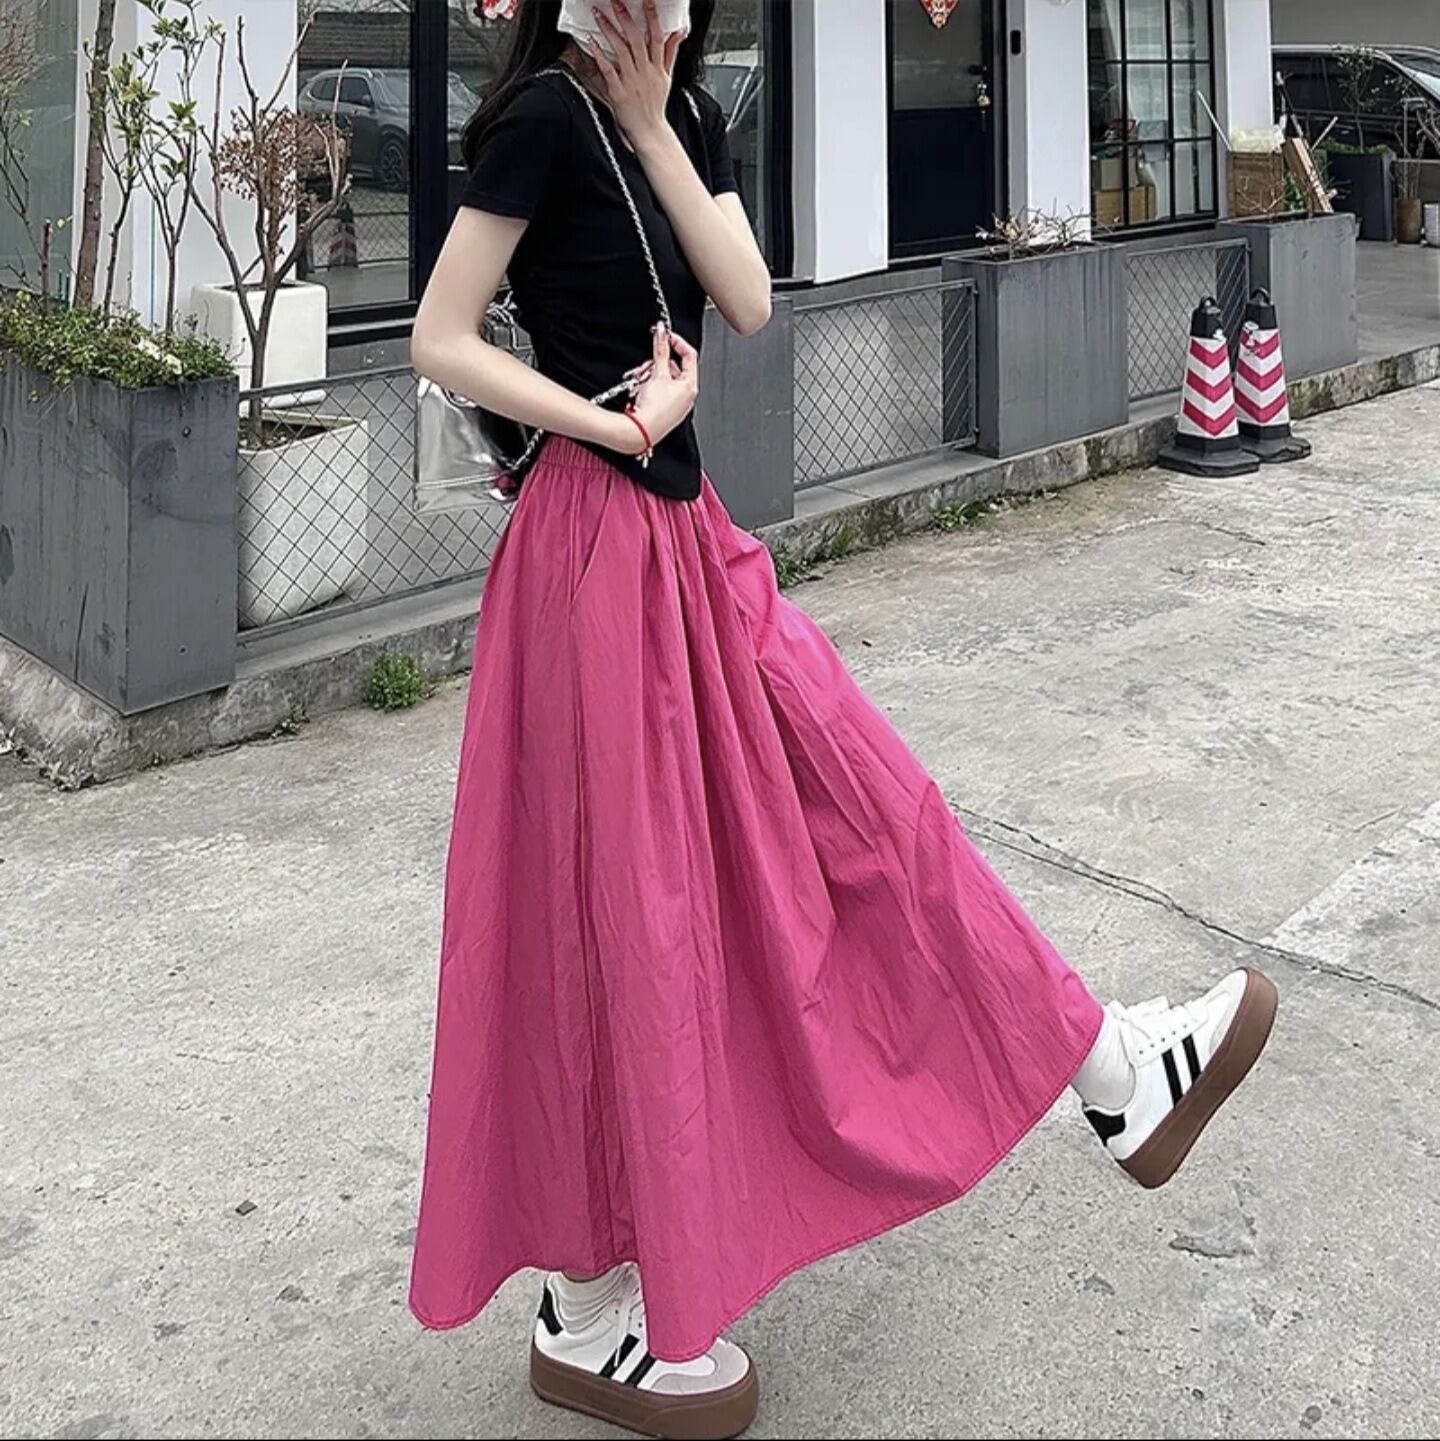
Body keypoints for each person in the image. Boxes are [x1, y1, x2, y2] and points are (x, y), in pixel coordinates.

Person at [407, 3, 1278, 1437]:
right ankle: (587, 1303)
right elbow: (439, 337)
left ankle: (1112, 1069)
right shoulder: (539, 118)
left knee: (869, 812)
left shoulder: (680, 115)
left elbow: (749, 299)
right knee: (611, 915)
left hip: (688, 544)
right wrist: (605, 422)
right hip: (590, 558)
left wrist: (656, 129)